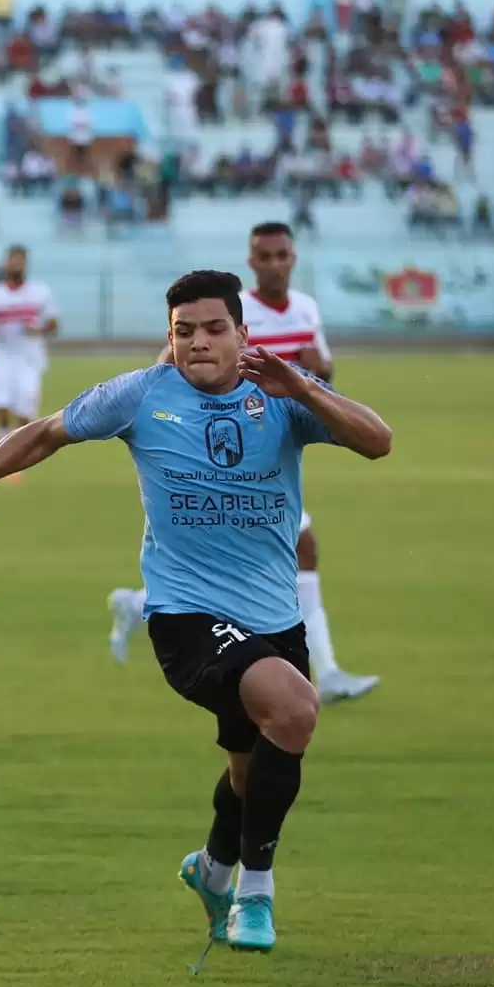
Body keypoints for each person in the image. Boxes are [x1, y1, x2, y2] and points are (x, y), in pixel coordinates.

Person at [0, 269, 393, 957]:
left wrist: (301, 388)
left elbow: (377, 439)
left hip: (272, 617)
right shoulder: (143, 394)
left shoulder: (282, 391)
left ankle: (212, 870)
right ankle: (256, 890)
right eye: (184, 331)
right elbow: (44, 432)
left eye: (214, 329)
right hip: (185, 616)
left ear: (243, 333)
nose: (199, 343)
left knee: (250, 770)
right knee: (296, 708)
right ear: (169, 336)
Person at [108, 223, 377, 703]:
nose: (275, 264)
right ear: (251, 262)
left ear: (294, 257)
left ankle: (140, 603)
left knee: (289, 552)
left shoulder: (307, 308)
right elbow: (167, 371)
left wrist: (309, 378)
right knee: (288, 549)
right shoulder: (227, 309)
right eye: (265, 256)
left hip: (270, 444)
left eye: (282, 255)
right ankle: (324, 669)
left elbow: (321, 376)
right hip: (218, 450)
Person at [0, 245, 60, 466]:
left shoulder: (40, 292)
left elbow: (53, 324)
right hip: (1, 355)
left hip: (30, 357)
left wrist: (37, 329)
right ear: (6, 263)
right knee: (0, 402)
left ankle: (19, 451)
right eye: (13, 260)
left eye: (21, 261)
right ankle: (1, 447)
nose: (17, 265)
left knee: (26, 406)